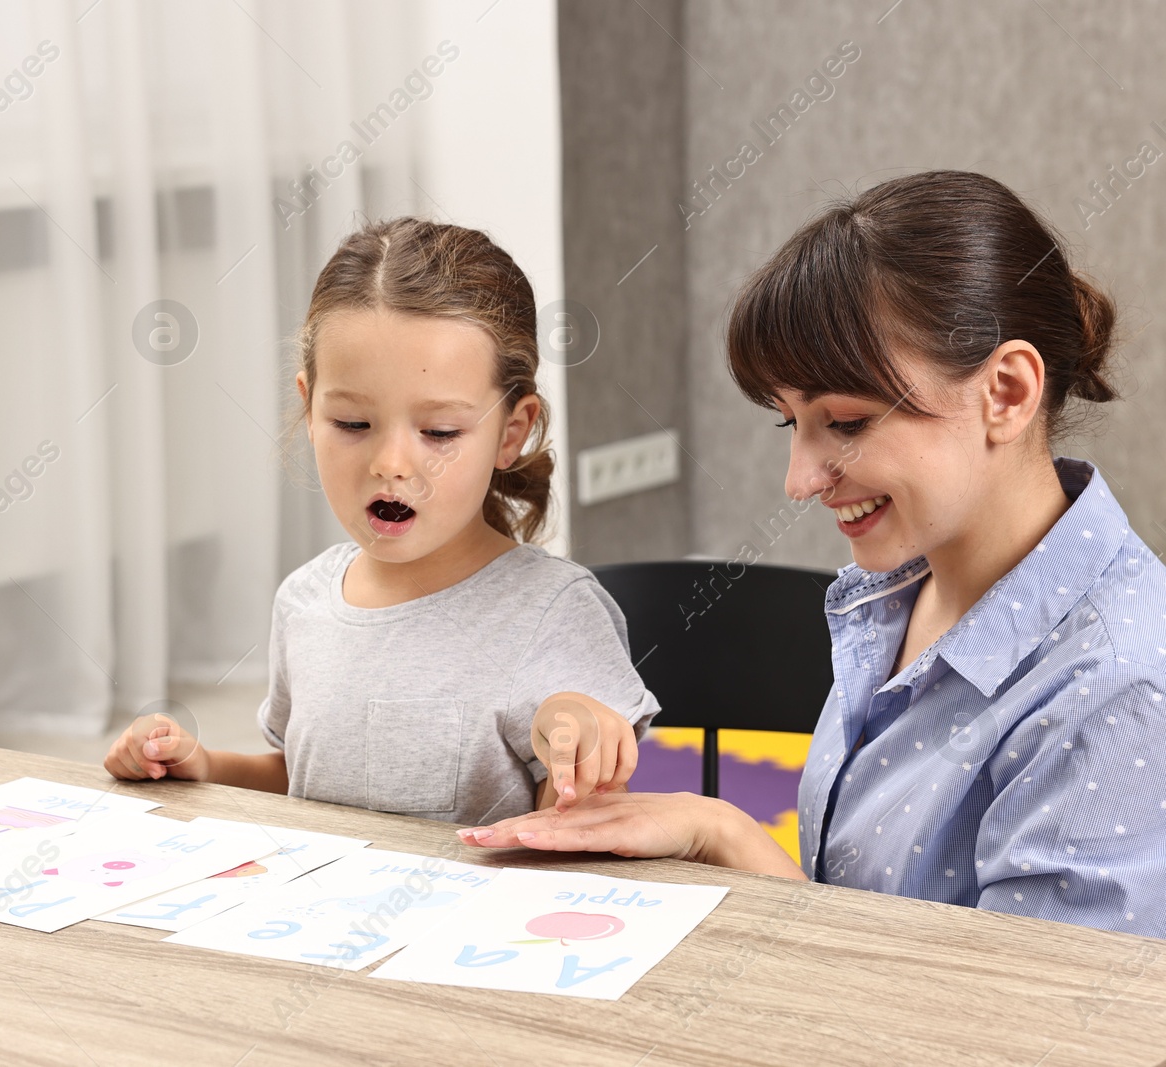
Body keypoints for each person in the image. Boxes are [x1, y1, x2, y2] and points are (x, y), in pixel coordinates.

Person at [460, 170, 1166, 937]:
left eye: (849, 422)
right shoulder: (905, 591)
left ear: (1005, 392)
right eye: (789, 422)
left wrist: (726, 836)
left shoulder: (1119, 691)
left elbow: (1014, 1034)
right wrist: (715, 829)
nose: (798, 480)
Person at [104, 218, 660, 824]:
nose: (392, 465)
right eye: (352, 424)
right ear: (308, 409)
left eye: (440, 432)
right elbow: (303, 779)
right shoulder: (305, 601)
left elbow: (585, 831)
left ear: (512, 432)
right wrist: (203, 768)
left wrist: (576, 744)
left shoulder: (554, 613)